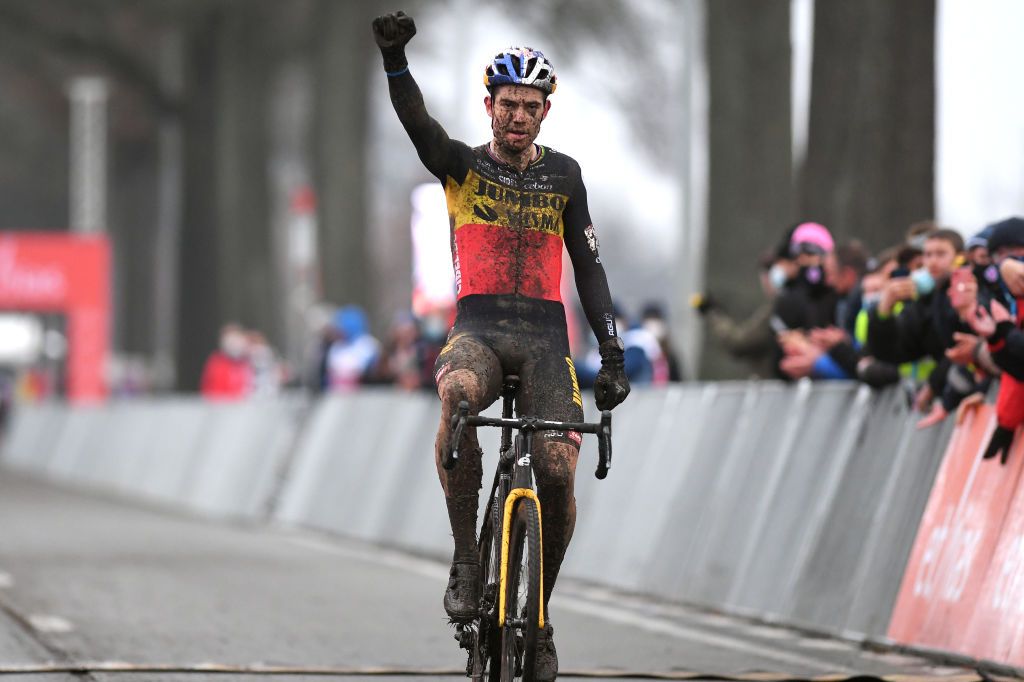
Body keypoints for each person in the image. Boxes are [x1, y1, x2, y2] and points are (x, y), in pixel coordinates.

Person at [372, 11, 630, 677]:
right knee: (457, 397)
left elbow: (590, 268)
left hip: (547, 342)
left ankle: (538, 620)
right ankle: (465, 558)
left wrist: (614, 352)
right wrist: (396, 61)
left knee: (558, 471)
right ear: (489, 105)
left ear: (547, 111)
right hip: (478, 333)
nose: (518, 115)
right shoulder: (460, 164)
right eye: (508, 103)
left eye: (530, 105)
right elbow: (417, 125)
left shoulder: (566, 177)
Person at [200, 323, 252, 401]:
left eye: (236, 339)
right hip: (222, 408)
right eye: (231, 341)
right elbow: (213, 391)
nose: (234, 344)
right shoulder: (216, 363)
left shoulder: (247, 362)